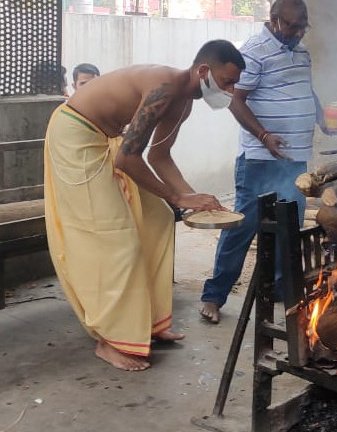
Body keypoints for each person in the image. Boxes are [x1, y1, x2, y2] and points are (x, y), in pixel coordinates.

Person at [44, 39, 246, 371]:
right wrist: (178, 197)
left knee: (159, 218)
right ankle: (111, 340)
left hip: (108, 140)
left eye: (234, 84)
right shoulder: (164, 88)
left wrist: (196, 201)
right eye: (227, 82)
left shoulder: (184, 103)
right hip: (75, 135)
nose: (231, 90)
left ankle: (149, 322)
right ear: (204, 71)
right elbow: (127, 159)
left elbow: (159, 157)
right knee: (115, 238)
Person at [200, 0, 332, 324]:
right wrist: (263, 136)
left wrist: (322, 119)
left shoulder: (301, 51)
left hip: (294, 159)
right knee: (241, 228)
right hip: (260, 159)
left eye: (303, 26)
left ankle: (278, 291)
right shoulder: (254, 52)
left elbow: (306, 89)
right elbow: (235, 100)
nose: (298, 32)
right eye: (292, 26)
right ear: (274, 20)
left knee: (289, 227)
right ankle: (214, 295)